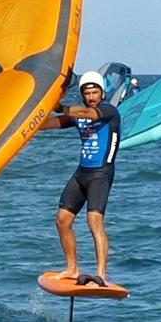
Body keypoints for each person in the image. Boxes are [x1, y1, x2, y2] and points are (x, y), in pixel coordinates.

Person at [37, 69, 120, 285]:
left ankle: (101, 273)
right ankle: (72, 269)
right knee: (62, 220)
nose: (91, 97)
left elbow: (85, 114)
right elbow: (49, 124)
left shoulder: (109, 111)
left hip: (101, 174)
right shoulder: (77, 117)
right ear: (83, 95)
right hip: (82, 173)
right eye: (87, 93)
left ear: (102, 93)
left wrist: (59, 106)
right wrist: (28, 121)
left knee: (94, 222)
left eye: (95, 92)